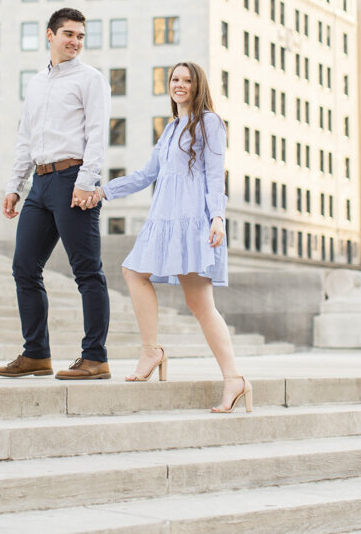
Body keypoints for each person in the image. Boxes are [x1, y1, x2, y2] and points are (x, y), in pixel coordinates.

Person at [96, 61, 252, 414]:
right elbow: (146, 174)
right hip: (164, 220)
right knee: (134, 272)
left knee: (200, 305)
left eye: (187, 80)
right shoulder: (170, 129)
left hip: (193, 222)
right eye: (175, 79)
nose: (179, 85)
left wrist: (217, 218)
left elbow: (215, 175)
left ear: (198, 87)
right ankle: (152, 351)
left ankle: (234, 379)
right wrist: (103, 191)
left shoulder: (209, 122)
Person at [0, 7, 112, 381]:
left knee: (87, 272)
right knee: (24, 268)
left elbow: (97, 133)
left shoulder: (91, 79)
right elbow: (26, 137)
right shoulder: (36, 83)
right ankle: (35, 355)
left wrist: (86, 180)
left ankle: (95, 358)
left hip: (74, 178)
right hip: (40, 185)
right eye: (68, 34)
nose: (75, 41)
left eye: (80, 36)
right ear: (50, 35)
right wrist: (15, 185)